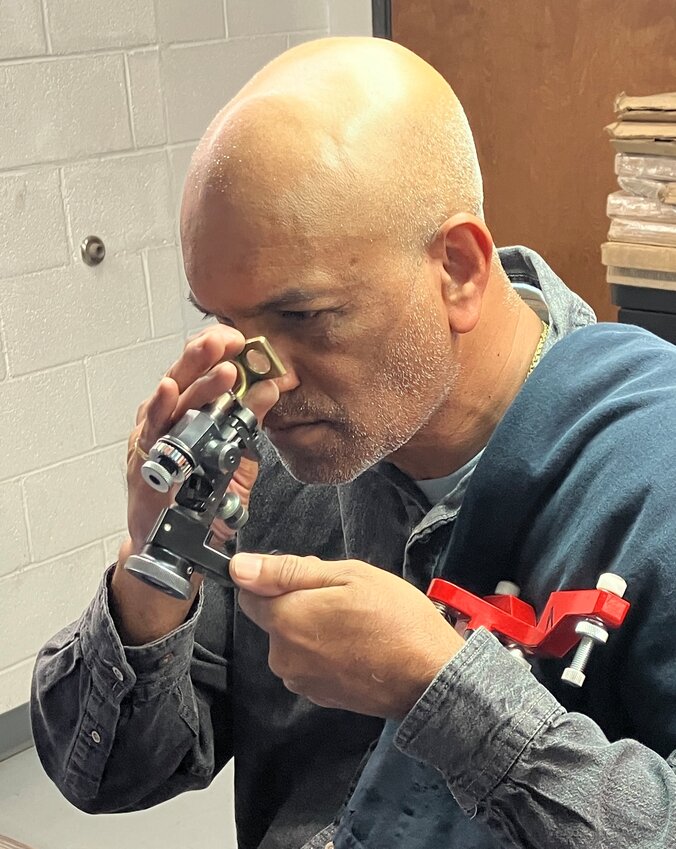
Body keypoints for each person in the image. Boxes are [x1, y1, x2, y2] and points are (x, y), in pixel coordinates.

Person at [30, 37, 676, 849]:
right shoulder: (273, 455)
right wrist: (155, 574)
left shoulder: (655, 466)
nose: (264, 383)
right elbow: (105, 776)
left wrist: (442, 691)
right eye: (227, 324)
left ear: (458, 269)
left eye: (303, 317)